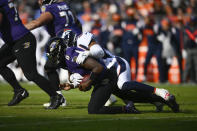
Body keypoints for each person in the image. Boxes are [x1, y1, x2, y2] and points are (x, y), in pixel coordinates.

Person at [46, 36, 180, 113]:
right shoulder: (67, 61)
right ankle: (160, 101)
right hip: (105, 72)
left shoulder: (73, 54)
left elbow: (97, 65)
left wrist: (88, 81)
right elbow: (84, 75)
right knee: (128, 95)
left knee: (124, 86)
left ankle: (159, 92)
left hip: (114, 65)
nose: (52, 59)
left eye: (53, 55)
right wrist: (71, 85)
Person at [0, 0, 63, 109]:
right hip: (14, 40)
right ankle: (19, 91)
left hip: (21, 39)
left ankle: (56, 96)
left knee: (31, 74)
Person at [25, 0, 83, 107]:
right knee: (80, 68)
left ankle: (58, 97)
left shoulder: (50, 8)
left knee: (50, 67)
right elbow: (77, 22)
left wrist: (19, 31)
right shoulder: (64, 5)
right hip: (78, 38)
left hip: (65, 40)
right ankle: (109, 95)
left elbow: (36, 23)